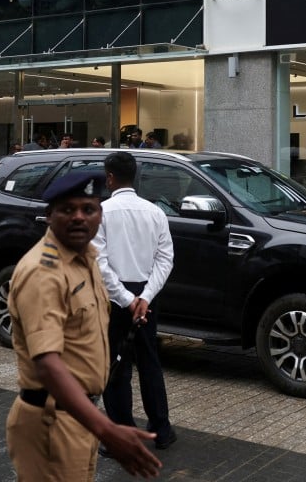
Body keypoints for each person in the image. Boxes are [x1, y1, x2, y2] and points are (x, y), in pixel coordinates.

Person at [6, 171, 162, 481]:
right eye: (68, 209)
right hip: (52, 423)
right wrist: (107, 430)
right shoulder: (44, 271)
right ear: (49, 215)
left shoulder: (86, 258)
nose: (79, 217)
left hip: (79, 417)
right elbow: (47, 365)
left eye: (88, 209)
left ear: (100, 215)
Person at [93, 152, 176, 454]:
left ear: (110, 177)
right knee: (150, 363)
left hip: (116, 299)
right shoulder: (155, 213)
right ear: (135, 176)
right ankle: (161, 430)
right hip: (146, 296)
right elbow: (166, 259)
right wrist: (145, 297)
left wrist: (127, 300)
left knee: (117, 367)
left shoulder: (102, 211)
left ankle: (122, 437)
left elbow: (99, 263)